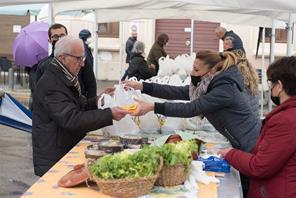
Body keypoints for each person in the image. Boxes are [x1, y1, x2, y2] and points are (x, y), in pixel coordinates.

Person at [125, 50, 261, 152]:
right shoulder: (207, 86)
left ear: (212, 70)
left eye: (196, 70)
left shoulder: (224, 90)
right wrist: (142, 86)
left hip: (251, 143)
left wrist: (152, 107)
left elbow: (192, 108)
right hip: (241, 141)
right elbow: (177, 91)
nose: (192, 73)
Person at [32, 36, 130, 176]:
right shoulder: (51, 84)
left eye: (82, 58)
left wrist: (98, 100)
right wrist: (109, 114)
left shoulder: (64, 75)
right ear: (63, 57)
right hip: (54, 155)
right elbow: (72, 119)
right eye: (78, 59)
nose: (82, 64)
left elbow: (78, 105)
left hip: (62, 146)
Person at [219, 56, 296, 198]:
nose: (270, 87)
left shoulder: (286, 120)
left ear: (279, 86)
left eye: (271, 83)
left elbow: (260, 167)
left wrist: (230, 153)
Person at [224, 36, 260, 116]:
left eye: (226, 44)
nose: (224, 46)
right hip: (253, 117)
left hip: (244, 119)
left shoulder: (235, 74)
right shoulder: (250, 71)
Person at [78, 29, 97, 98]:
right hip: (86, 75)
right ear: (85, 37)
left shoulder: (85, 46)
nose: (90, 39)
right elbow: (87, 61)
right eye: (89, 37)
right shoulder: (83, 47)